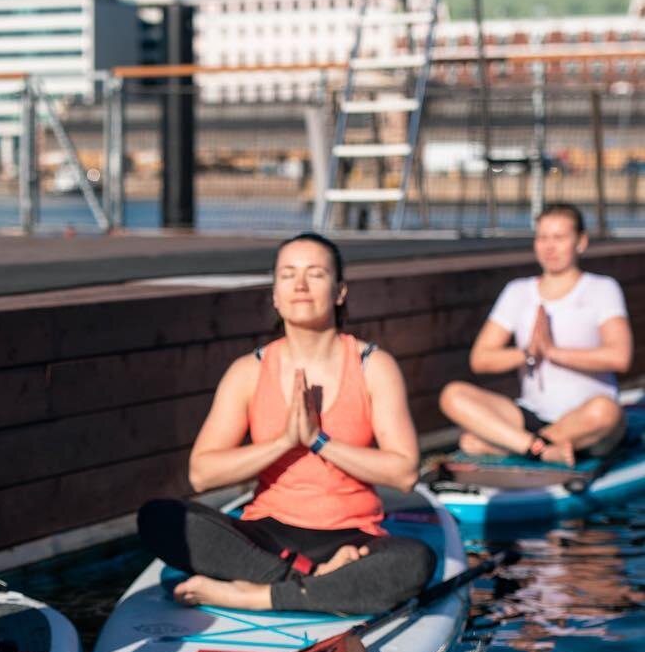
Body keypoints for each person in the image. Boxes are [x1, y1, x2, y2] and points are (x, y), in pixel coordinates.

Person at [138, 232, 435, 623]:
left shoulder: (372, 367)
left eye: (315, 274)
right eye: (287, 275)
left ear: (340, 291)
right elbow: (202, 472)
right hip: (265, 538)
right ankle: (307, 583)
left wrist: (318, 441)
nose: (299, 285)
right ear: (275, 294)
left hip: (351, 538)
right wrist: (283, 442)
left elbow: (404, 472)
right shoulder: (249, 371)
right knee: (159, 518)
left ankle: (256, 596)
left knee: (415, 561)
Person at [439, 203, 632, 466]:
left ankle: (513, 445)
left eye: (559, 238)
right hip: (531, 414)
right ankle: (536, 447)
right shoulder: (518, 292)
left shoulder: (601, 289)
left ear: (581, 242)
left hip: (586, 420)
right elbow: (480, 359)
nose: (549, 247)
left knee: (606, 411)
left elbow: (620, 356)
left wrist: (553, 352)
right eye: (542, 238)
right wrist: (527, 353)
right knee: (453, 395)